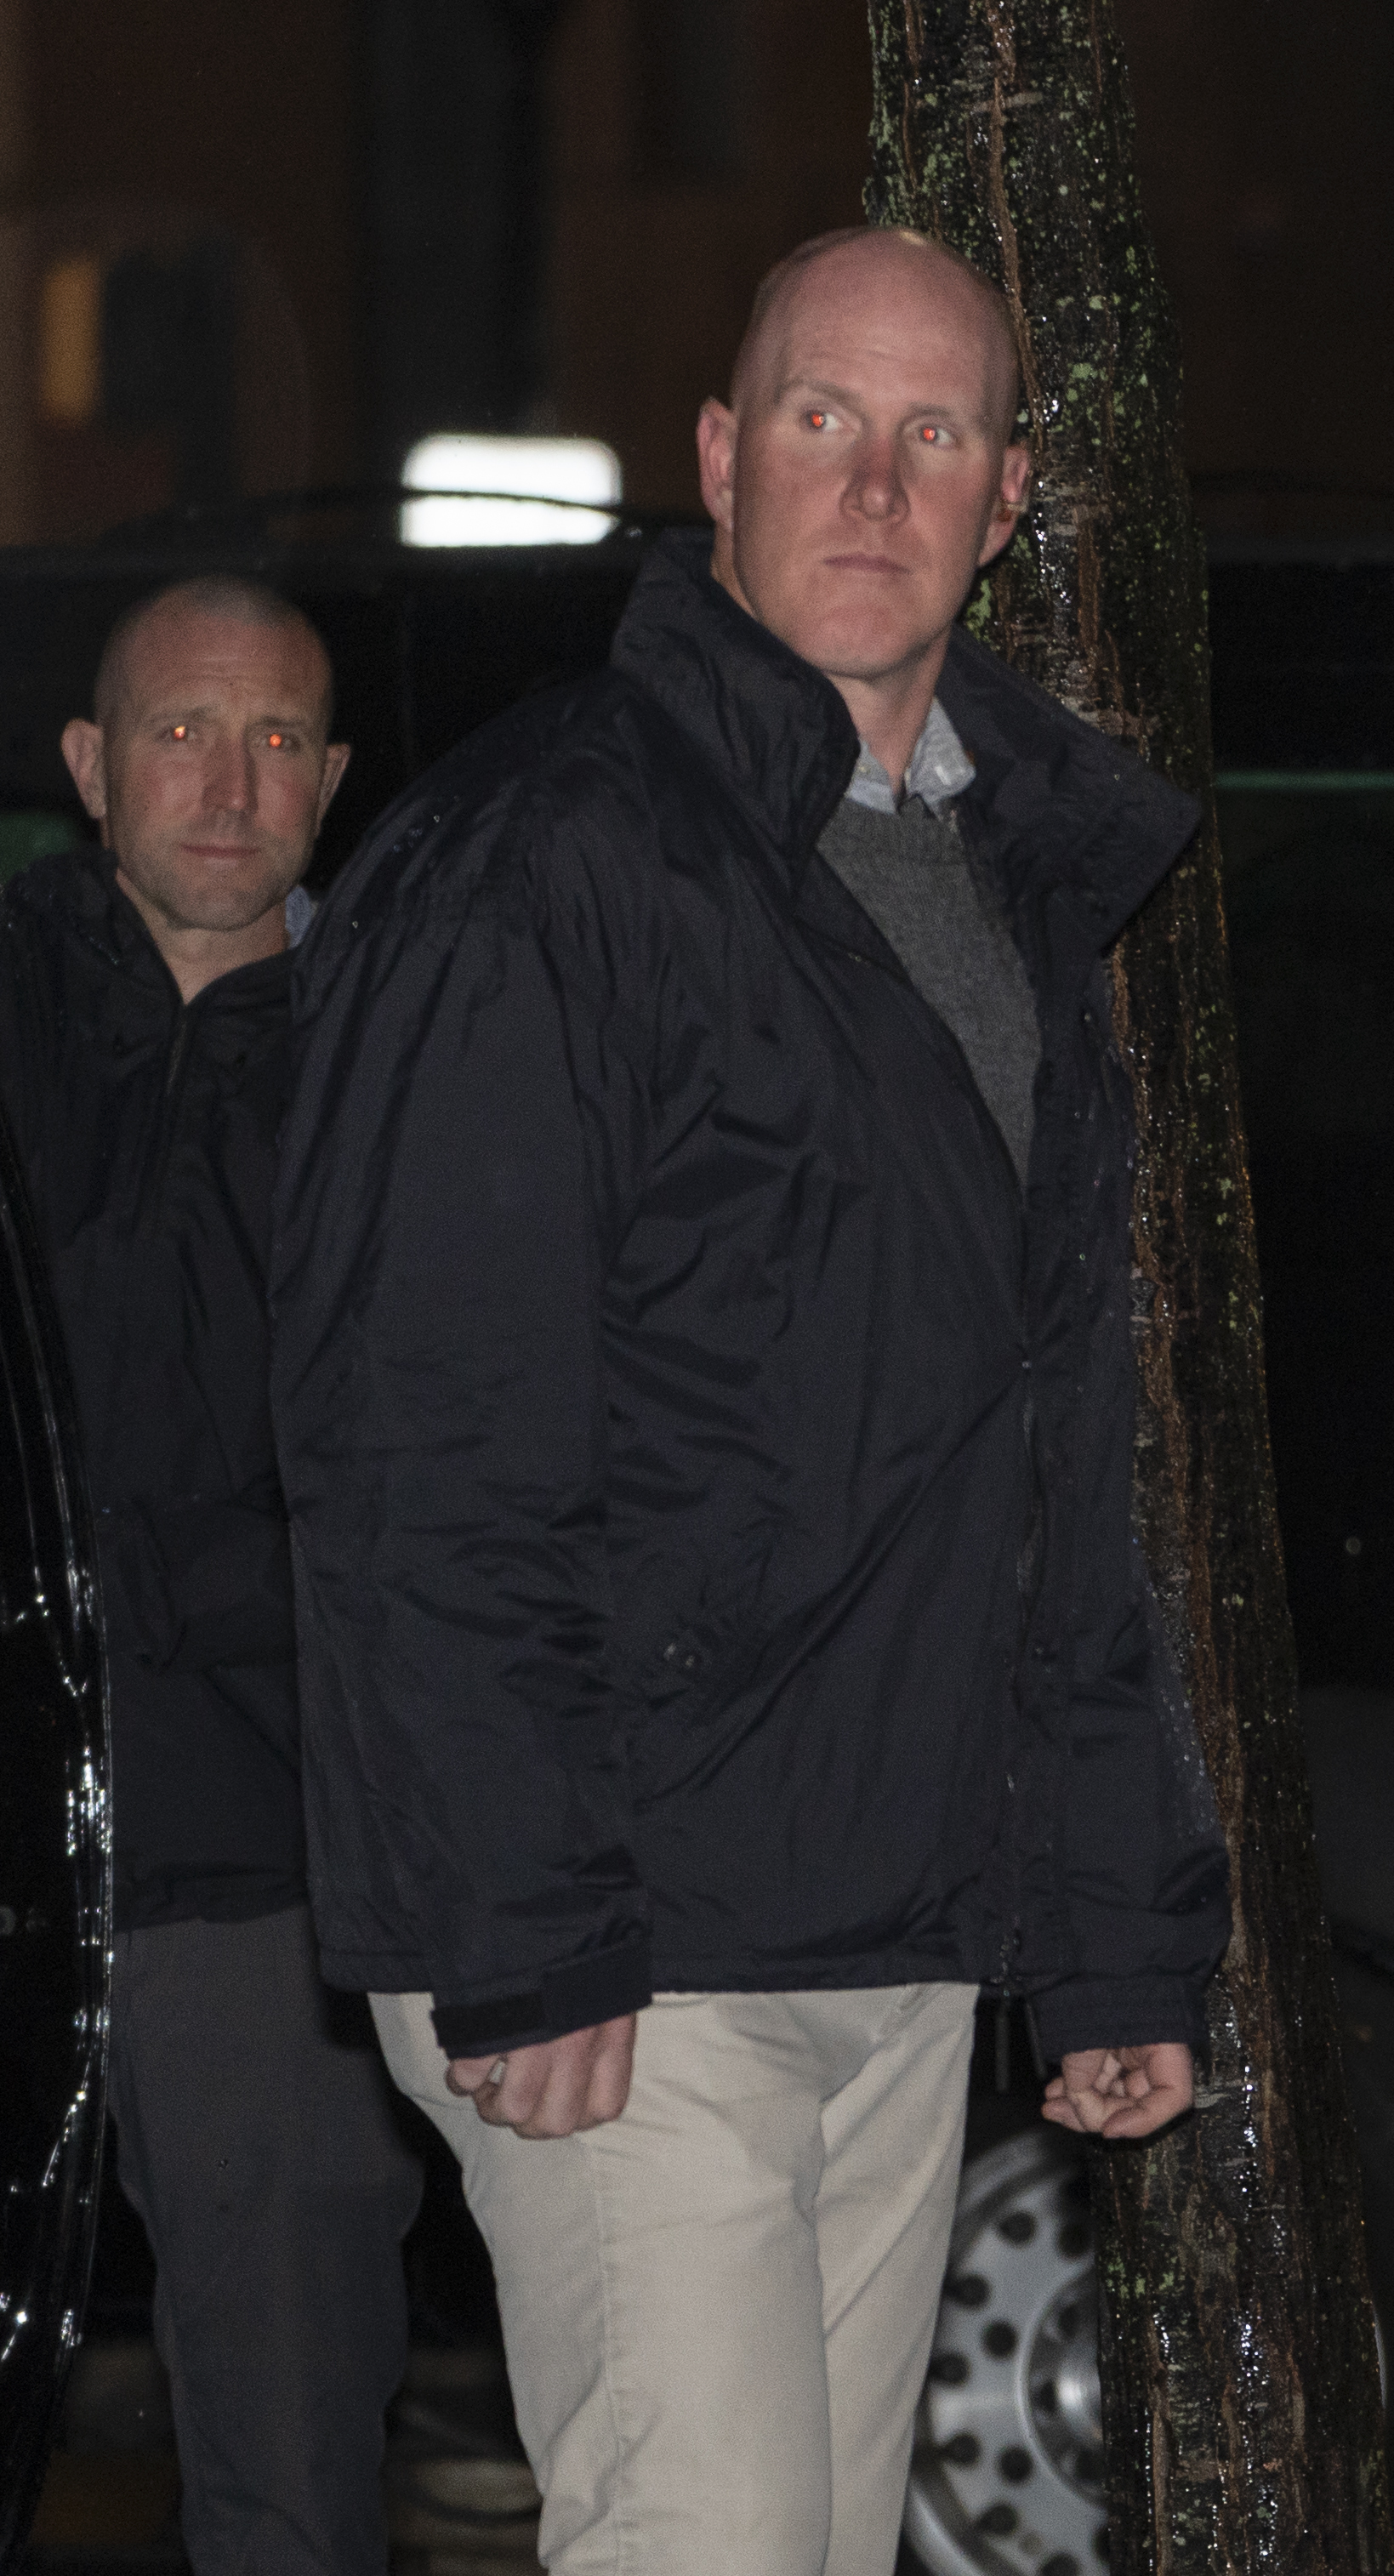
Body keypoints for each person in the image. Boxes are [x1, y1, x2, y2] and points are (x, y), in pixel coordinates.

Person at [276, 227, 1228, 2573]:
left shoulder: (1017, 889)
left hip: (889, 1922)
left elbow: (1049, 1463)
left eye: (935, 433)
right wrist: (521, 1917)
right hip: (629, 1927)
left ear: (1007, 496)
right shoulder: (545, 864)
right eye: (824, 415)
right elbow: (418, 1436)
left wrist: (1110, 1922)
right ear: (719, 456)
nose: (876, 480)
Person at [0, 576, 421, 2575]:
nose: (228, 781)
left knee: (291, 2495)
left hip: (278, 1896)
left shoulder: (411, 1065)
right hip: (12, 1868)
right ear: (88, 768)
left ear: (332, 785)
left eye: (276, 740)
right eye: (181, 729)